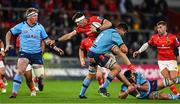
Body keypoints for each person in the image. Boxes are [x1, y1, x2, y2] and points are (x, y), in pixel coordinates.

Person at [5, 7, 64, 98]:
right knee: (20, 72)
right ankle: (14, 93)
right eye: (34, 16)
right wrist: (7, 44)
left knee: (40, 76)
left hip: (36, 54)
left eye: (37, 15)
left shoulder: (40, 27)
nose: (36, 17)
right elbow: (9, 33)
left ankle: (40, 81)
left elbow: (47, 40)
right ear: (28, 17)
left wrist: (56, 48)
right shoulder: (21, 26)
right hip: (24, 53)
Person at [79, 23, 136, 98]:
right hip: (98, 55)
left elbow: (104, 43)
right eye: (124, 32)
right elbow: (124, 49)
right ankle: (103, 88)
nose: (123, 34)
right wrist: (126, 50)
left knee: (91, 75)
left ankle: (81, 94)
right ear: (121, 29)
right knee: (117, 68)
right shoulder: (115, 34)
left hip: (90, 54)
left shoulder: (106, 31)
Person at [133, 21, 180, 95]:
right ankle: (177, 94)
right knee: (167, 80)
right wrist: (139, 51)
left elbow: (178, 47)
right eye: (158, 28)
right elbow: (147, 44)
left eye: (160, 27)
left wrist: (179, 56)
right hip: (161, 61)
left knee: (173, 79)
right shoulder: (154, 37)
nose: (158, 29)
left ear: (165, 27)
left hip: (172, 60)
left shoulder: (173, 37)